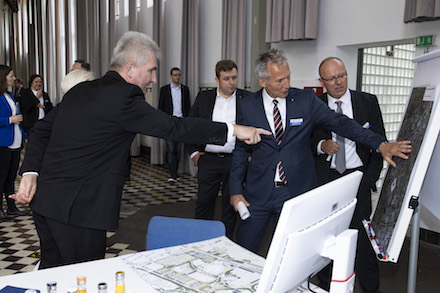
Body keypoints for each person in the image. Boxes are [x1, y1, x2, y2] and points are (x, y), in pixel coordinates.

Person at [10, 31, 270, 269]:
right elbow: (175, 127)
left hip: (46, 204)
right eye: (151, 70)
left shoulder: (81, 91)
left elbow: (42, 130)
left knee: (52, 274)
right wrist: (233, 130)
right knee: (84, 278)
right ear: (130, 68)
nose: (154, 79)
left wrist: (31, 171)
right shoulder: (126, 98)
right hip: (80, 213)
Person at [229, 48, 411, 254]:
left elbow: (341, 123)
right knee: (245, 250)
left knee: (294, 254)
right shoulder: (247, 106)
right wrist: (235, 191)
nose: (287, 84)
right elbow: (241, 151)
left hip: (296, 192)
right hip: (258, 192)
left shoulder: (305, 100)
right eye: (280, 80)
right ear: (263, 82)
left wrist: (380, 144)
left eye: (288, 77)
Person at [311, 57, 384, 293]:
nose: (338, 82)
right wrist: (321, 144)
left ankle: (371, 289)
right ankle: (327, 286)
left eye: (341, 75)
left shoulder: (367, 102)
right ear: (321, 81)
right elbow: (306, 141)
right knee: (327, 240)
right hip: (327, 181)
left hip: (358, 180)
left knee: (363, 242)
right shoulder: (315, 105)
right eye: (331, 78)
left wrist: (367, 180)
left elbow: (379, 144)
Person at [187, 60, 251, 239]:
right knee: (204, 203)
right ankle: (199, 241)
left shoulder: (247, 98)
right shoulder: (204, 98)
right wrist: (193, 152)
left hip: (235, 160)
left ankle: (227, 242)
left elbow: (254, 127)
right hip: (208, 160)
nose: (231, 82)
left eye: (234, 78)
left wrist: (249, 156)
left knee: (231, 205)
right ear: (217, 80)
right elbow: (191, 126)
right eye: (226, 79)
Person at [0, 65, 27, 221]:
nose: (13, 78)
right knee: (1, 177)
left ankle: (11, 207)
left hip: (16, 141)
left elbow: (18, 119)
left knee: (11, 177)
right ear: (3, 77)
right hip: (3, 143)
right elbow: (10, 119)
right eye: (10, 75)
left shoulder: (10, 95)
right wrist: (10, 120)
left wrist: (24, 136)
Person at [158, 67, 191, 182]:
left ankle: (175, 171)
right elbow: (160, 107)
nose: (177, 77)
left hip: (181, 122)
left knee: (178, 149)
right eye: (175, 75)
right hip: (169, 122)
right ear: (171, 76)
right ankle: (172, 175)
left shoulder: (185, 90)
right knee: (171, 149)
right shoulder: (164, 90)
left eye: (179, 75)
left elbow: (188, 107)